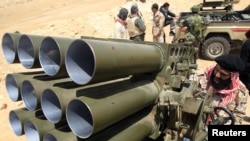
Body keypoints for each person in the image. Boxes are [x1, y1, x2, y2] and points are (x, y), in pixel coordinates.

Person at [198, 54, 249, 124]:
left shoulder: (240, 92)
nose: (217, 75)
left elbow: (238, 116)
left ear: (232, 76)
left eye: (223, 74)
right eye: (217, 70)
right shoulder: (200, 78)